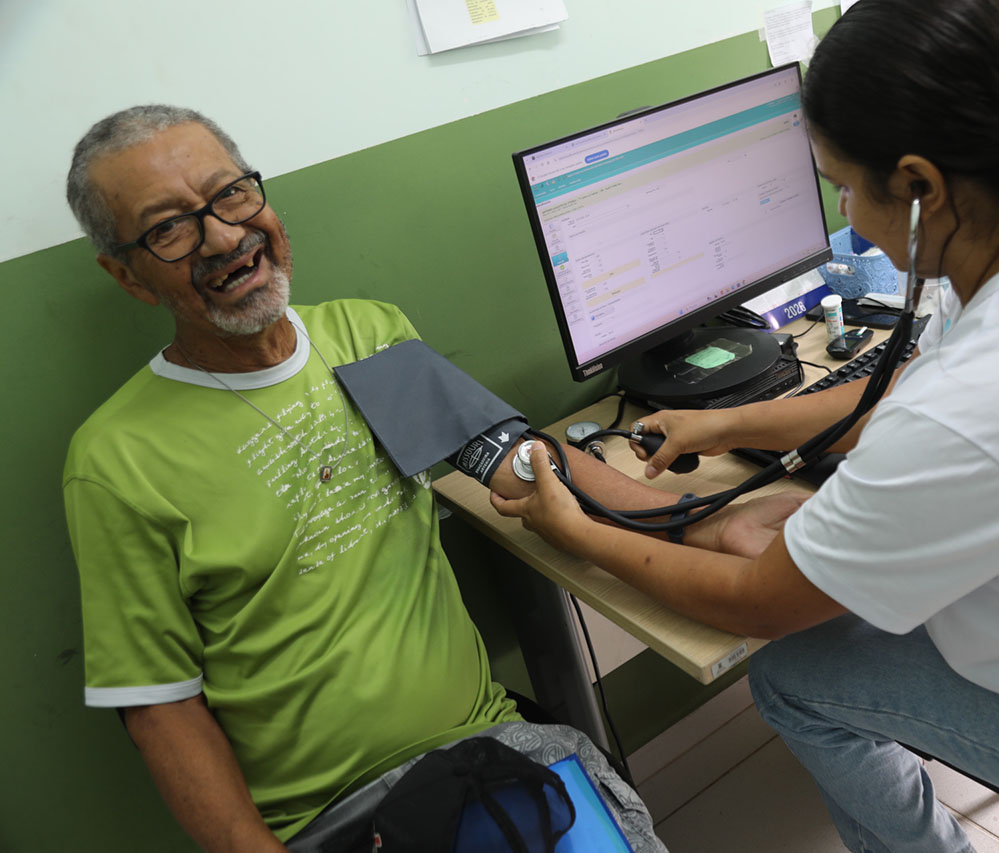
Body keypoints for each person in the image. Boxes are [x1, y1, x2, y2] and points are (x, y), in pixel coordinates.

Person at [490, 1, 999, 850]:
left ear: (919, 186)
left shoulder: (990, 399)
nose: (845, 215)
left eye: (841, 186)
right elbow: (912, 384)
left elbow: (760, 605)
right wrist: (728, 424)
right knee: (767, 528)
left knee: (791, 671)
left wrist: (576, 532)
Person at [62, 104, 800, 852]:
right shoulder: (117, 458)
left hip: (484, 748)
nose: (223, 236)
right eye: (169, 228)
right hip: (329, 821)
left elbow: (525, 460)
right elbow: (161, 705)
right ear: (125, 274)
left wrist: (699, 522)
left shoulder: (366, 336)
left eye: (230, 193)